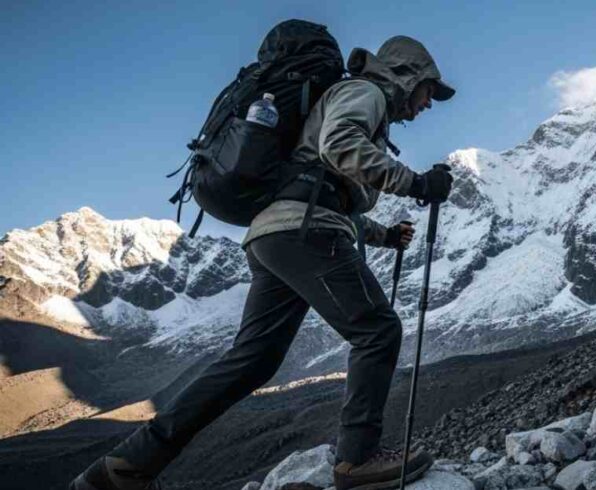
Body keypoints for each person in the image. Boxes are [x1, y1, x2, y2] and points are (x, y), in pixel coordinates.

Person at [70, 35, 456, 490]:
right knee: (378, 329)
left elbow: (323, 189)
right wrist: (416, 184)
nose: (430, 103)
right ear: (407, 76)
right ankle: (358, 459)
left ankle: (124, 468)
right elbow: (339, 146)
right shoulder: (366, 92)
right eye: (430, 90)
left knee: (252, 361)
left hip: (277, 237)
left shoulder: (356, 100)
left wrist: (383, 235)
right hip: (306, 234)